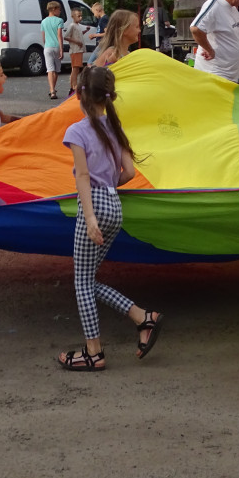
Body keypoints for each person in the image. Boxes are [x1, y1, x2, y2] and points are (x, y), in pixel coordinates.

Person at [57, 66, 162, 371]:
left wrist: (89, 216)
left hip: (95, 207)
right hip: (114, 205)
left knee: (81, 283)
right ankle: (143, 317)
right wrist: (108, 191)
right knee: (87, 281)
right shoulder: (115, 128)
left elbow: (83, 177)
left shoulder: (77, 131)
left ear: (79, 95)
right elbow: (128, 172)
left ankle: (94, 352)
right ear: (108, 96)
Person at [42, 0, 65, 99]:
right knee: (56, 70)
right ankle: (53, 89)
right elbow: (59, 35)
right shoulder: (59, 20)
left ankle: (52, 90)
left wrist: (46, 44)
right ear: (54, 9)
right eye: (59, 9)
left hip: (47, 47)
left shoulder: (43, 21)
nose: (60, 11)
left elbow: (43, 36)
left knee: (49, 69)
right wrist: (61, 49)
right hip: (56, 46)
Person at [63, 7, 87, 97]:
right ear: (73, 16)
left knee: (76, 69)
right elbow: (66, 36)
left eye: (81, 16)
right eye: (78, 16)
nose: (80, 18)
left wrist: (85, 31)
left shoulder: (77, 26)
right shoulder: (72, 25)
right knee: (75, 69)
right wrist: (76, 42)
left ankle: (73, 86)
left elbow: (78, 35)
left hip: (79, 50)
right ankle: (73, 86)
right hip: (75, 50)